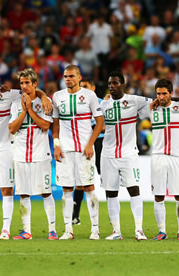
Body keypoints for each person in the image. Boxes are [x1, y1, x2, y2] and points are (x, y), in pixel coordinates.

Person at [52, 65, 102, 240]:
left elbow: (100, 122)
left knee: (89, 187)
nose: (68, 79)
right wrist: (56, 144)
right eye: (65, 76)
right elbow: (55, 125)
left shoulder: (90, 96)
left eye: (71, 76)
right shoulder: (57, 97)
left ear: (79, 77)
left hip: (84, 149)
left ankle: (95, 230)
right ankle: (68, 230)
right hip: (65, 150)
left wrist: (90, 144)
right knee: (66, 189)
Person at [100, 71, 150, 240]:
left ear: (122, 84)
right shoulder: (103, 106)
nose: (111, 86)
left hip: (129, 154)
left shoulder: (134, 100)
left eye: (115, 83)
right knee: (111, 192)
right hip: (108, 154)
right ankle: (116, 231)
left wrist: (175, 101)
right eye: (109, 84)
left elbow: (157, 102)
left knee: (134, 189)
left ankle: (139, 229)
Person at [8, 69, 58, 240]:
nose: (24, 86)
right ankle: (26, 231)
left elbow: (45, 125)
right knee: (23, 193)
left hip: (40, 154)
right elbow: (12, 129)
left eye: (27, 83)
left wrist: (30, 109)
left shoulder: (45, 102)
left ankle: (52, 229)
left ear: (35, 84)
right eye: (21, 83)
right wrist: (23, 111)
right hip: (20, 154)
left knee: (46, 192)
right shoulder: (16, 104)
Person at [149, 79, 179, 241]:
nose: (161, 97)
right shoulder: (151, 108)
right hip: (158, 157)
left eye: (164, 94)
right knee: (158, 196)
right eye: (158, 94)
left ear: (171, 94)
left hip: (177, 157)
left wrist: (178, 100)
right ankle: (162, 231)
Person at [72, 78, 103, 225]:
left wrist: (92, 129)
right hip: (83, 143)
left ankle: (112, 217)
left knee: (107, 180)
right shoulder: (77, 103)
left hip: (100, 142)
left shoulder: (102, 102)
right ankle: (75, 216)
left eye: (85, 86)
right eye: (81, 86)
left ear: (93, 87)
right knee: (80, 180)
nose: (82, 89)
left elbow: (107, 125)